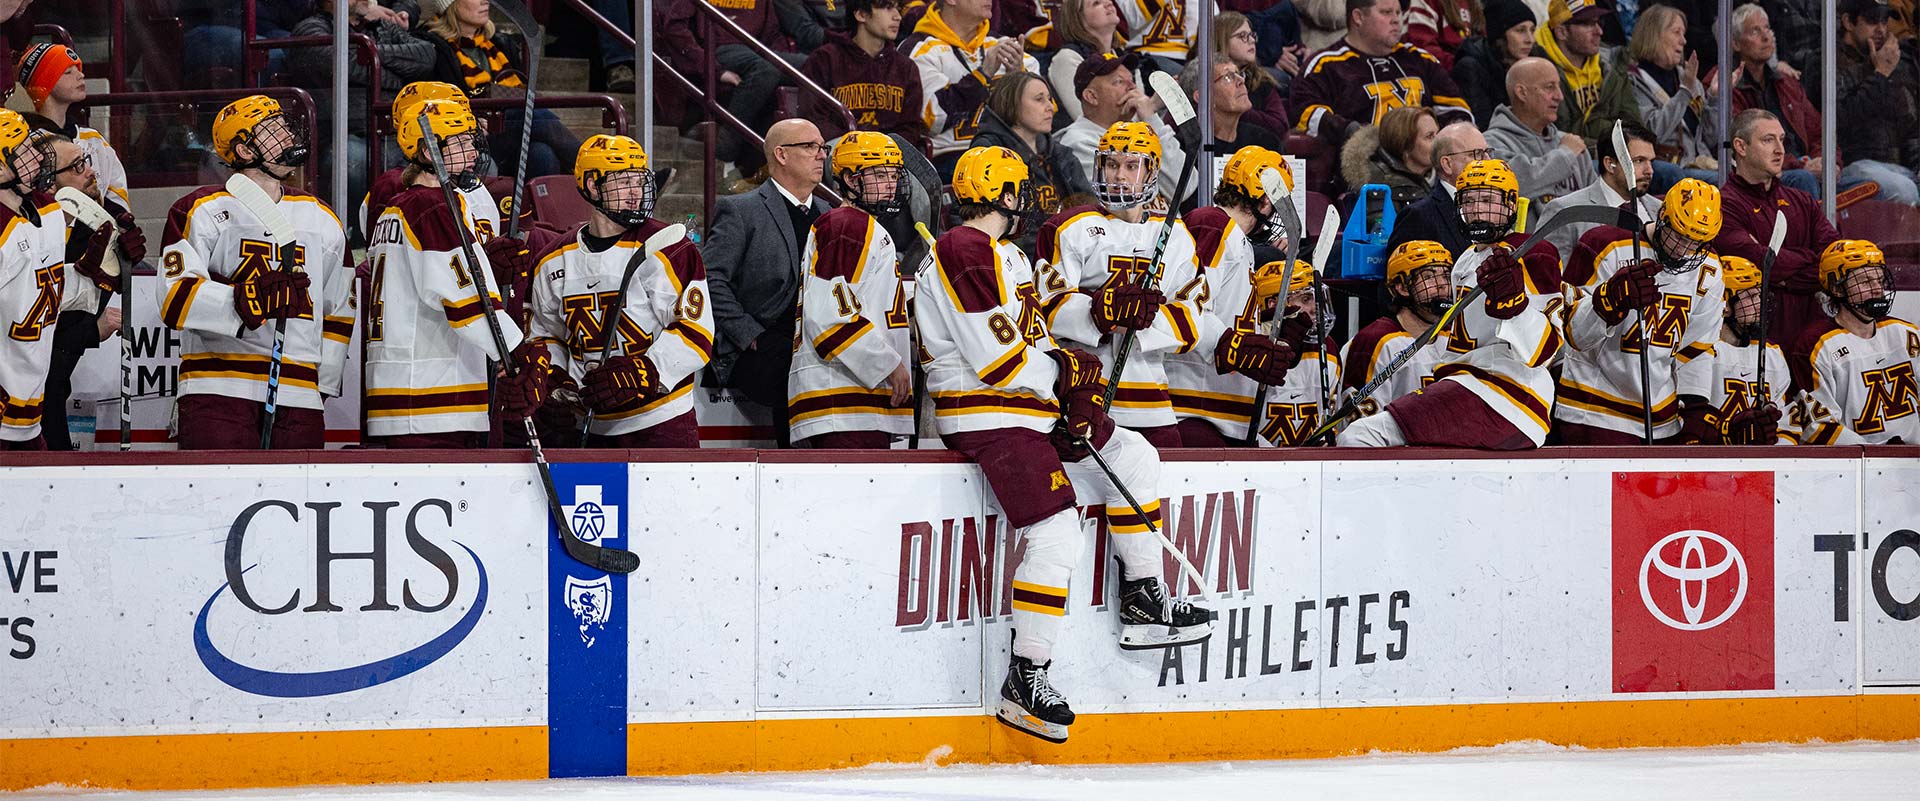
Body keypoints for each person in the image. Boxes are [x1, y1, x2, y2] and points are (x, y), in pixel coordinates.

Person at [916, 144, 1212, 745]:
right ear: (1004, 195)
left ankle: (1144, 599)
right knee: (1056, 532)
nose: (1025, 200)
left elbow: (1034, 339)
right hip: (986, 413)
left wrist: (1071, 363)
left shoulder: (1006, 254)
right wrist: (1065, 374)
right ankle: (1027, 675)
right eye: (1019, 190)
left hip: (1026, 405)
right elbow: (996, 360)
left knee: (1135, 456)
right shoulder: (962, 248)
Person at [157, 96, 351, 450]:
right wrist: (246, 298)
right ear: (245, 150)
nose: (289, 135)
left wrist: (321, 384)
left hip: (299, 394)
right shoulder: (199, 209)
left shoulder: (322, 218)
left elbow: (339, 309)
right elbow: (174, 299)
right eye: (274, 130)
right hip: (217, 387)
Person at [1336, 159, 1563, 449]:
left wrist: (1514, 306)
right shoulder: (1466, 260)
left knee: (1359, 437)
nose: (1477, 208)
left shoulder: (1531, 253)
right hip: (1466, 388)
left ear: (1510, 205)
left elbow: (1545, 350)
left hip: (1506, 396)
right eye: (1468, 199)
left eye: (1486, 199)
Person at [517, 135, 711, 448]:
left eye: (640, 181)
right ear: (592, 186)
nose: (636, 192)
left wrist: (643, 372)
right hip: (588, 425)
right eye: (624, 181)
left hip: (660, 422)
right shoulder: (552, 259)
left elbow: (695, 332)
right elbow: (545, 335)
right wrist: (556, 379)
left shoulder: (669, 247)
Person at [364, 98, 528, 448]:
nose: (473, 150)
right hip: (432, 398)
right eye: (461, 141)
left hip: (399, 392)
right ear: (428, 151)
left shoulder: (399, 207)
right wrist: (515, 350)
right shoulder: (432, 205)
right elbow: (466, 302)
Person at [1037, 121, 1204, 448]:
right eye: (1111, 164)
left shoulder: (1176, 236)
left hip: (1151, 400)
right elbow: (1047, 309)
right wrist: (1101, 311)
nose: (1119, 176)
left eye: (1131, 166)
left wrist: (1144, 318)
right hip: (1086, 395)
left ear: (1151, 172)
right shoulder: (1069, 227)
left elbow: (1192, 320)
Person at [1555, 177, 1724, 445]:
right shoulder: (1603, 244)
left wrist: (1694, 409)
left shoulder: (1710, 269)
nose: (1682, 250)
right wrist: (1607, 302)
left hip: (1664, 423)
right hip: (1593, 413)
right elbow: (1571, 333)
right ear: (1661, 215)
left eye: (1695, 242)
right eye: (1678, 235)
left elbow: (1697, 349)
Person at [1168, 148, 1311, 447]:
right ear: (1264, 199)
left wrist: (1273, 335)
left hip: (1222, 413)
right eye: (1277, 203)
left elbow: (1224, 313)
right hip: (1194, 410)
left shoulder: (1237, 240)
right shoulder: (1212, 225)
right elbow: (1183, 309)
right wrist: (1235, 348)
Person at [706, 119, 833, 448]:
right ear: (781, 154)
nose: (821, 155)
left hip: (817, 338)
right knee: (789, 370)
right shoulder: (740, 210)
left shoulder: (828, 212)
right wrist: (747, 333)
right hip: (764, 344)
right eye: (810, 146)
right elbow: (711, 277)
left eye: (822, 147)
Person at [785, 132, 914, 448]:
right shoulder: (848, 225)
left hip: (851, 397)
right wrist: (889, 365)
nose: (890, 184)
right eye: (880, 174)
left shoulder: (860, 226)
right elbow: (829, 317)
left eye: (895, 175)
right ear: (850, 180)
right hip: (843, 396)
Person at [0, 110, 102, 450]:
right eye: (23, 152)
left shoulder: (46, 212)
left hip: (29, 416)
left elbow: (32, 294)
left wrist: (86, 272)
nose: (37, 159)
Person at [285, 0, 436, 222]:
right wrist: (399, 75)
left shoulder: (380, 26)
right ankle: (354, 236)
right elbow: (341, 63)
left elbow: (426, 55)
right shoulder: (310, 28)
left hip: (397, 133)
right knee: (352, 162)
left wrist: (371, 54)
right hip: (347, 135)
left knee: (465, 157)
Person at [38, 134, 136, 451]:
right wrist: (92, 331)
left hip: (45, 398)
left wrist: (108, 271)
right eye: (77, 166)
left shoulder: (92, 230)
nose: (91, 172)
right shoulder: (19, 231)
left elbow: (61, 339)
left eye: (87, 162)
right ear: (49, 185)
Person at [1715, 109, 1839, 357]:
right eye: (1768, 140)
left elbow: (1835, 261)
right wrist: (1807, 258)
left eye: (1782, 140)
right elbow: (1762, 264)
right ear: (1740, 146)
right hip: (1754, 349)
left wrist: (1782, 273)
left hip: (1813, 343)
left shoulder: (1802, 200)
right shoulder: (1722, 205)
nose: (1780, 149)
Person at [419, 0, 582, 179]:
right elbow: (434, 105)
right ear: (451, 5)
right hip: (468, 136)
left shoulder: (500, 44)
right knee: (533, 114)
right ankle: (589, 167)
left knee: (541, 153)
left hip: (505, 131)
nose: (485, 1)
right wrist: (473, 121)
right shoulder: (431, 47)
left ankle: (539, 206)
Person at [1290, 0, 1473, 155]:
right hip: (1366, 170)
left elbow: (1458, 111)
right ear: (1358, 17)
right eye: (1386, 13)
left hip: (1429, 166)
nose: (1396, 20)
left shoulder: (1421, 59)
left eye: (1398, 12)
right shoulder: (1326, 65)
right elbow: (1306, 113)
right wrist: (1354, 132)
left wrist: (1437, 141)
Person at [1793, 240, 1920, 445]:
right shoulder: (1816, 346)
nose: (1877, 289)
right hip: (1855, 469)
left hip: (1912, 461)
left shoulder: (1906, 334)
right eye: (1866, 282)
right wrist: (1871, 456)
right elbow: (1818, 426)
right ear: (1837, 288)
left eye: (1879, 280)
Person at [902, 0, 1040, 171]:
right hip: (950, 158)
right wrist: (983, 75)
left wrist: (1018, 78)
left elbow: (1042, 116)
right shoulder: (920, 50)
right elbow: (933, 119)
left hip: (1008, 154)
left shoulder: (1005, 45)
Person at [1681, 254, 1793, 445]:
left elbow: (1785, 421)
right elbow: (1687, 422)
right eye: (1750, 296)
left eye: (1759, 295)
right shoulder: (1696, 351)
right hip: (1712, 462)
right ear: (1724, 306)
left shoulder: (1772, 354)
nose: (1760, 303)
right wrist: (1727, 434)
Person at [1054, 54, 1191, 208]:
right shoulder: (1078, 143)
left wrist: (1152, 119)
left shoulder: (1144, 128)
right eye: (1119, 82)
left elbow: (1188, 186)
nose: (1132, 87)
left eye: (1132, 81)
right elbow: (1121, 204)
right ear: (1092, 96)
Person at [969, 72, 1092, 243]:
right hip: (1012, 257)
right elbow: (985, 224)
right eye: (1039, 99)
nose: (1050, 107)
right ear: (1011, 104)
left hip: (1063, 250)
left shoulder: (1060, 153)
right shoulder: (988, 153)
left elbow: (1089, 210)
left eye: (1049, 99)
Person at [1340, 239, 1454, 418]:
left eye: (1446, 276)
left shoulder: (1454, 337)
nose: (1442, 284)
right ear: (1401, 287)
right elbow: (1359, 430)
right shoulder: (1375, 342)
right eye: (1429, 277)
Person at [14, 45, 130, 209]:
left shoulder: (94, 139)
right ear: (44, 84)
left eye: (78, 69)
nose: (81, 75)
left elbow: (117, 196)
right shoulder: (27, 146)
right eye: (68, 72)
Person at [801, 0, 928, 146]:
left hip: (891, 156)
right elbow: (815, 119)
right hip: (840, 152)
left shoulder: (906, 67)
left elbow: (910, 126)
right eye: (887, 8)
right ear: (861, 14)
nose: (897, 16)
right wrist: (858, 146)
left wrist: (884, 150)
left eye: (898, 9)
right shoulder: (824, 60)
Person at [1728, 4, 1823, 198]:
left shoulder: (1787, 83)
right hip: (1767, 174)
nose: (1766, 37)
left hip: (1806, 166)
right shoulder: (1725, 84)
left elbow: (1820, 130)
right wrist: (1802, 164)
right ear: (1735, 43)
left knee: (1873, 186)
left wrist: (1827, 161)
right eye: (1755, 31)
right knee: (1804, 179)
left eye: (1768, 29)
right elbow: (1746, 147)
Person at [1623, 4, 1720, 194]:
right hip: (1669, 166)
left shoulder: (1686, 76)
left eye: (1684, 34)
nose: (1683, 41)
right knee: (1722, 184)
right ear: (1654, 34)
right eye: (1676, 32)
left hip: (1704, 163)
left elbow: (1713, 137)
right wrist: (1684, 93)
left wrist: (1715, 98)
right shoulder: (1633, 80)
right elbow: (1652, 131)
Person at [1832, 0, 1920, 206]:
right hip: (1851, 165)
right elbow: (1841, 119)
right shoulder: (1827, 61)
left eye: (1884, 21)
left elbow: (1910, 126)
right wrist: (1880, 74)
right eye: (1872, 21)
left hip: (1896, 168)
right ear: (1848, 22)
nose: (1881, 29)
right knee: (1903, 190)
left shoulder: (1893, 62)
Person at [1248, 258, 1342, 446]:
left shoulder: (1327, 350)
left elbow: (1330, 424)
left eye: (1317, 298)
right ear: (1274, 305)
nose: (1316, 309)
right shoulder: (1249, 351)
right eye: (1306, 299)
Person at [1538, 118, 1659, 262]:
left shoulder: (1659, 210)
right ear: (1610, 164)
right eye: (1639, 161)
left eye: (1651, 161)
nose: (1649, 171)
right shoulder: (1565, 211)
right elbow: (1547, 276)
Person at [1485, 56, 1595, 203]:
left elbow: (1595, 204)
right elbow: (1513, 187)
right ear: (1522, 93)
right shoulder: (1491, 144)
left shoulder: (1572, 143)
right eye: (1549, 87)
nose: (1560, 96)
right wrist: (1565, 156)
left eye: (1559, 86)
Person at [1531, 0, 1641, 145]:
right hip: (1573, 159)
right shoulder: (1538, 73)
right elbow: (1552, 137)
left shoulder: (1611, 66)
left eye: (1598, 22)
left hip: (1617, 152)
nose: (1599, 31)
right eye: (1588, 24)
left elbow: (1633, 121)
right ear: (1562, 32)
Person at [1387, 120, 1488, 258]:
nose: (1487, 161)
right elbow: (1402, 276)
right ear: (1447, 164)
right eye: (1476, 154)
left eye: (1487, 152)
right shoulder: (1418, 217)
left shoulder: (1495, 209)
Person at [1174, 55, 1285, 176]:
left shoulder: (1265, 142)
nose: (1241, 81)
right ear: (1203, 97)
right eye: (1228, 77)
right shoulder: (1184, 152)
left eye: (1239, 74)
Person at [1451, 0, 1535, 129]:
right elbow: (1485, 128)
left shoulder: (1534, 60)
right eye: (1520, 30)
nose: (1530, 39)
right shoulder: (1470, 68)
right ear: (1499, 34)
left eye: (1532, 30)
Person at [1340, 106, 1438, 212]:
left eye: (1438, 134)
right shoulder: (1379, 186)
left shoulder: (1446, 174)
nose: (1439, 142)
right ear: (1404, 145)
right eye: (1430, 136)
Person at [1047, 0, 1127, 119]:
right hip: (1086, 136)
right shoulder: (1067, 58)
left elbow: (1143, 111)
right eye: (1096, 3)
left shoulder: (1124, 57)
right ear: (1078, 21)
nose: (1109, 3)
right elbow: (1084, 116)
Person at [1216, 11, 1291, 135]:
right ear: (1221, 40)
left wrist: (1240, 110)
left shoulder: (1261, 80)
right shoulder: (1203, 81)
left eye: (1251, 35)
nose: (1251, 41)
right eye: (1242, 36)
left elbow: (1280, 125)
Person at [1404, 0, 1483, 72]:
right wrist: (1461, 65)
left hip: (1474, 74)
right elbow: (1423, 50)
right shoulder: (1424, 2)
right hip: (1438, 77)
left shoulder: (1476, 4)